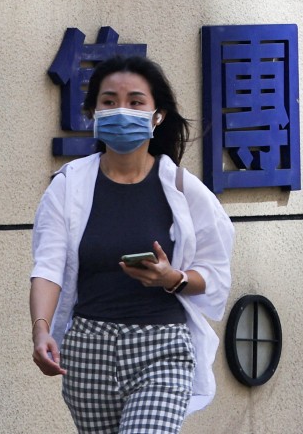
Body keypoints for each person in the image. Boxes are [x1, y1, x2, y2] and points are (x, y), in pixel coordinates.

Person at [29, 55, 234, 433]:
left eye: (136, 101)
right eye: (109, 101)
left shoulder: (183, 189)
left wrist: (172, 277)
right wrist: (41, 329)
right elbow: (48, 266)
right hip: (89, 351)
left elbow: (215, 272)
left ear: (158, 115)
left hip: (162, 347)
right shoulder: (69, 186)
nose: (121, 110)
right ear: (93, 112)